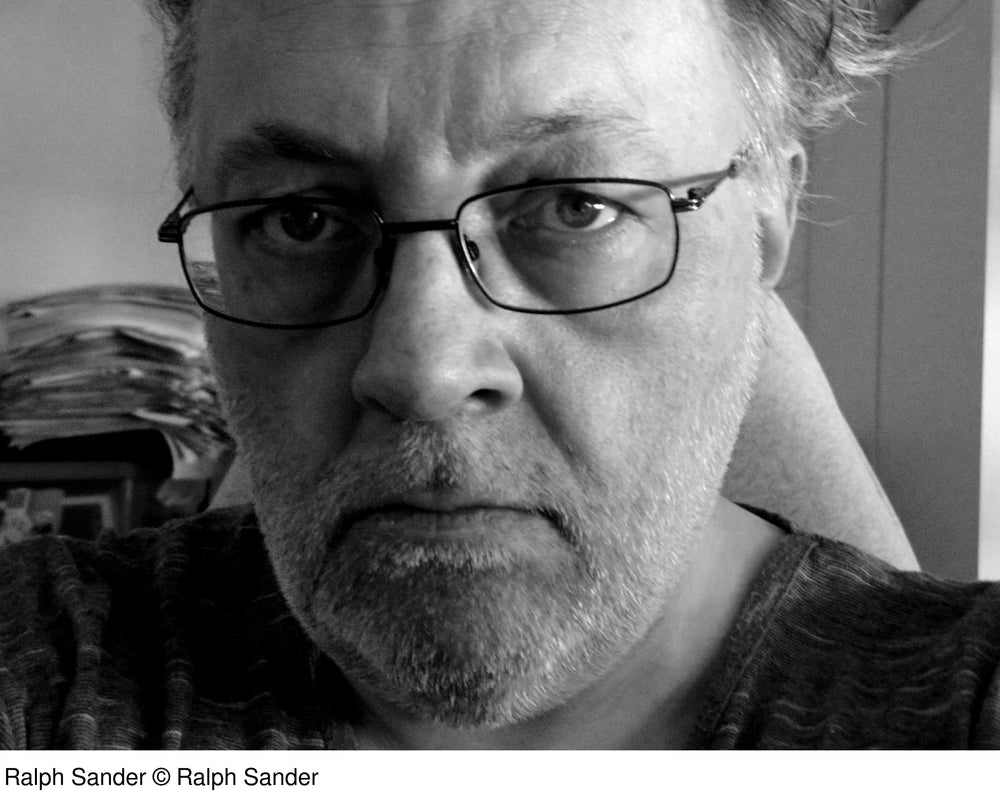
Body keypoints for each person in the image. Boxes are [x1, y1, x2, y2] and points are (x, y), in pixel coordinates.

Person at [0, 0, 997, 749]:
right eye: (300, 218)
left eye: (574, 205)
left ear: (768, 216)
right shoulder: (45, 673)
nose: (423, 369)